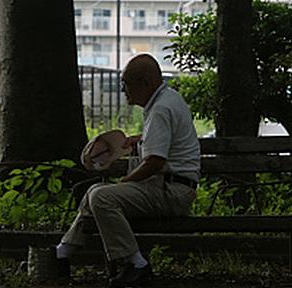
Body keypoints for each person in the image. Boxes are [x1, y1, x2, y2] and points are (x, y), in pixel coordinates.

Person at [55, 53, 200, 287]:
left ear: (145, 82)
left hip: (171, 192)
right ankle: (62, 254)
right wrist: (142, 140)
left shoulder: (160, 110)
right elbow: (165, 142)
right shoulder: (168, 99)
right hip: (172, 187)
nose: (124, 91)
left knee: (101, 196)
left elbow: (155, 162)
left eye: (126, 84)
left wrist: (126, 181)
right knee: (95, 192)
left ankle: (137, 264)